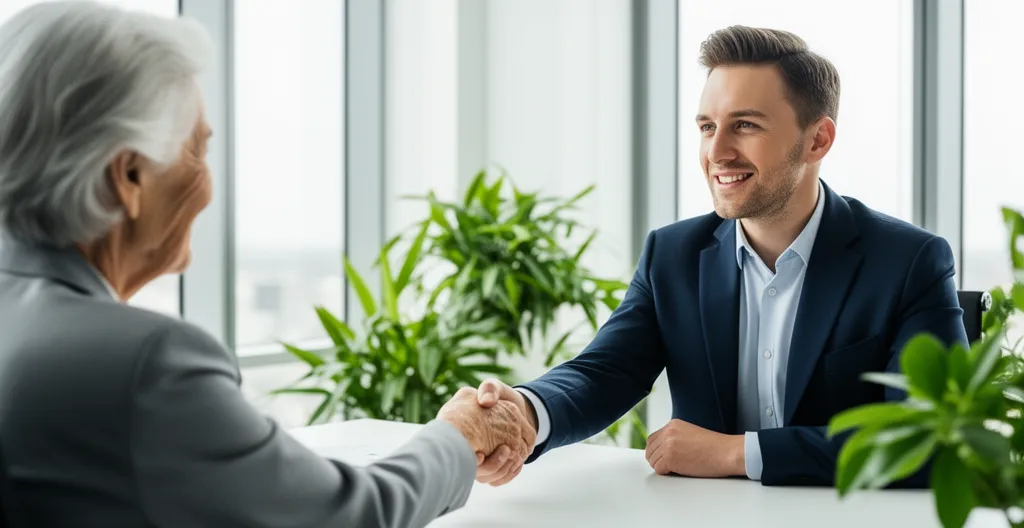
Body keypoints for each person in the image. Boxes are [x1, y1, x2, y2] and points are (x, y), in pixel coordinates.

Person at [0, 2, 533, 527]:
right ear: (130, 176)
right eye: (197, 151)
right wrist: (457, 435)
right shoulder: (147, 366)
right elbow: (347, 515)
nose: (210, 188)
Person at [469, 25, 968, 488]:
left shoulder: (909, 262)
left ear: (817, 140)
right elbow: (606, 372)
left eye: (745, 125)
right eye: (708, 127)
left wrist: (737, 454)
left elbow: (928, 438)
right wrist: (525, 413)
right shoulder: (672, 255)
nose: (718, 152)